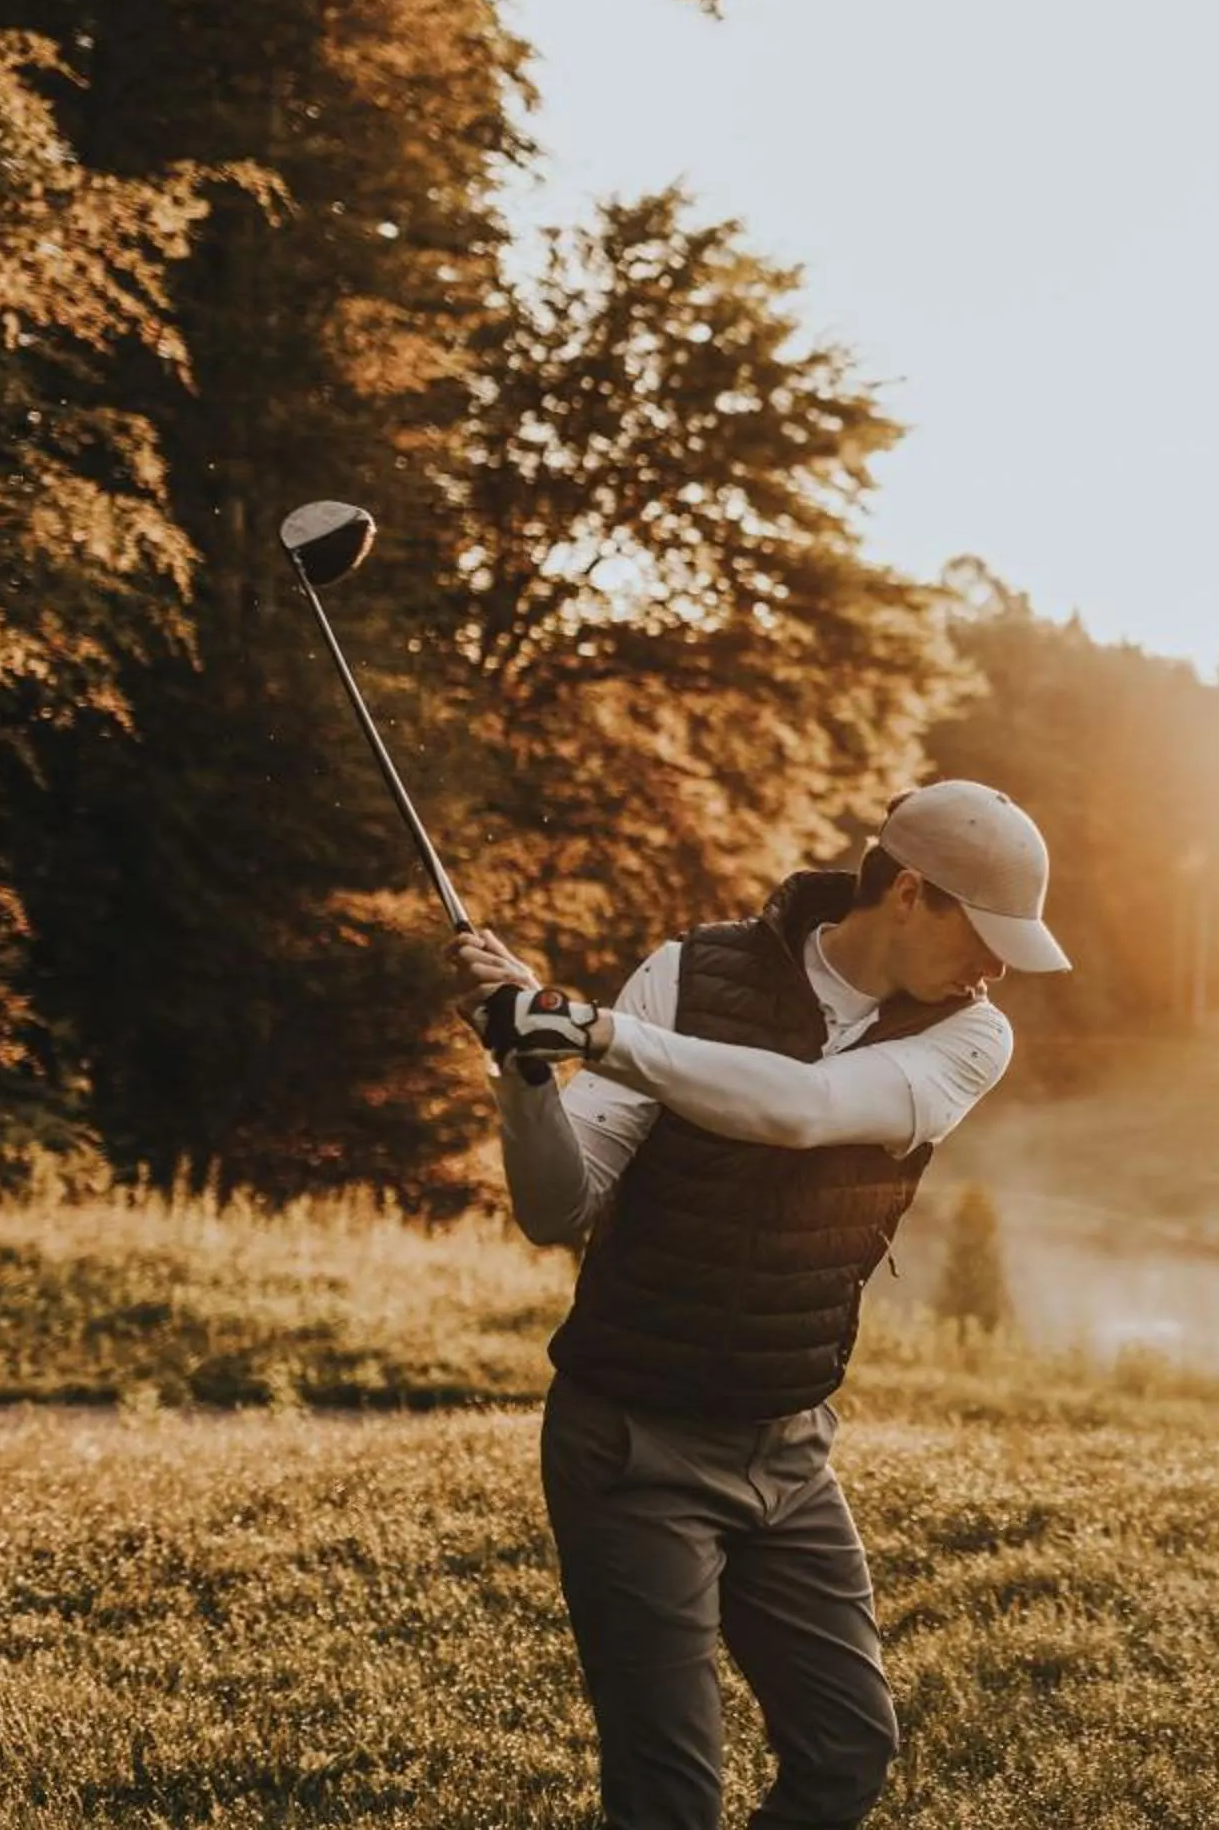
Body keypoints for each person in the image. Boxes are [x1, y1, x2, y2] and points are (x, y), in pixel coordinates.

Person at [448, 780, 1069, 1830]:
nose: (1000, 967)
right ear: (911, 891)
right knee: (669, 1797)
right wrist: (524, 1064)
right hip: (632, 1440)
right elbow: (559, 1206)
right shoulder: (687, 974)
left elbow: (804, 1108)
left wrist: (589, 1027)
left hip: (788, 1444)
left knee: (846, 1749)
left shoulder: (971, 1035)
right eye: (988, 933)